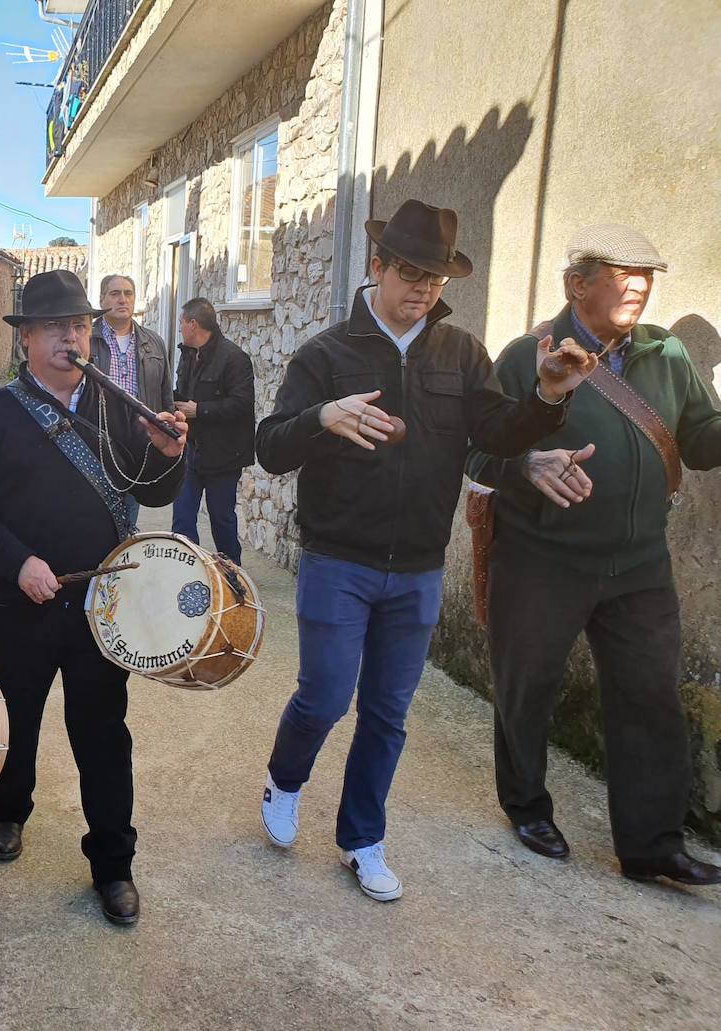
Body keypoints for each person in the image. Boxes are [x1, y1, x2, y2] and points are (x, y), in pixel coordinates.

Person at [253, 200, 596, 903]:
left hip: (416, 569)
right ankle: (285, 780)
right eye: (410, 272)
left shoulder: (462, 353)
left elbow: (497, 433)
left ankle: (362, 839)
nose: (423, 288)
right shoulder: (326, 353)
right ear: (376, 265)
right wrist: (322, 416)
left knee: (387, 712)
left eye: (436, 278)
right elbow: (270, 445)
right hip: (336, 560)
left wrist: (548, 396)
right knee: (323, 698)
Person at [467, 224, 721, 886]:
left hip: (639, 563)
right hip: (544, 557)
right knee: (527, 687)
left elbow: (698, 441)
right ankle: (526, 806)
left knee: (649, 697)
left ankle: (652, 844)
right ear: (577, 284)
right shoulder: (529, 354)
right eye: (620, 272)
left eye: (647, 274)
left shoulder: (667, 353)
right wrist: (525, 462)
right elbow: (476, 449)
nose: (638, 285)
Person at [0, 269, 188, 926]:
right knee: (17, 719)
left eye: (79, 325)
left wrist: (168, 454)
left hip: (100, 605)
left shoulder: (116, 406)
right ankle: (8, 812)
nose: (71, 337)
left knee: (103, 732)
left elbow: (155, 491)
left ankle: (113, 863)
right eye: (55, 327)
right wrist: (18, 560)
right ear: (25, 339)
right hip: (18, 601)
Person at [170, 297, 255, 563]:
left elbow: (243, 404)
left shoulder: (234, 358)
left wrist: (201, 410)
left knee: (222, 521)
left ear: (193, 324)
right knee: (182, 520)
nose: (180, 328)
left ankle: (234, 580)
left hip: (224, 456)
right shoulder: (187, 354)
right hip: (190, 452)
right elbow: (182, 396)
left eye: (182, 322)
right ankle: (186, 574)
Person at [90, 275, 174, 527]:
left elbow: (165, 396)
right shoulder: (88, 338)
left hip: (138, 445)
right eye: (115, 293)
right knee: (93, 514)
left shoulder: (153, 342)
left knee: (127, 519)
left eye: (128, 293)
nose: (122, 299)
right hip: (97, 438)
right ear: (102, 299)